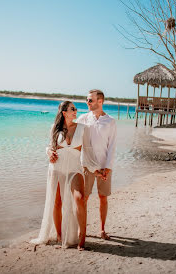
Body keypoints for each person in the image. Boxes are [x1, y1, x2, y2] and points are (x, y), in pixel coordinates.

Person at [31, 101, 100, 249]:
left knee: (80, 199)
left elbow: (88, 151)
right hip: (56, 169)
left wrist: (97, 169)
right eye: (72, 109)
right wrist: (49, 152)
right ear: (64, 113)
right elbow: (50, 147)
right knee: (57, 203)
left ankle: (82, 238)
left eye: (75, 109)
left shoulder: (83, 128)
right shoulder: (54, 129)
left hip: (75, 169)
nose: (76, 111)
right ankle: (60, 235)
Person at [76, 89, 117, 240]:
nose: (87, 102)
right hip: (87, 166)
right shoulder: (83, 118)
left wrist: (108, 167)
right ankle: (82, 231)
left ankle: (102, 230)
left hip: (105, 166)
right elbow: (71, 135)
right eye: (87, 100)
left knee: (103, 197)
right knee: (84, 198)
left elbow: (112, 145)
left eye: (90, 100)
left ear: (100, 101)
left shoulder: (110, 121)